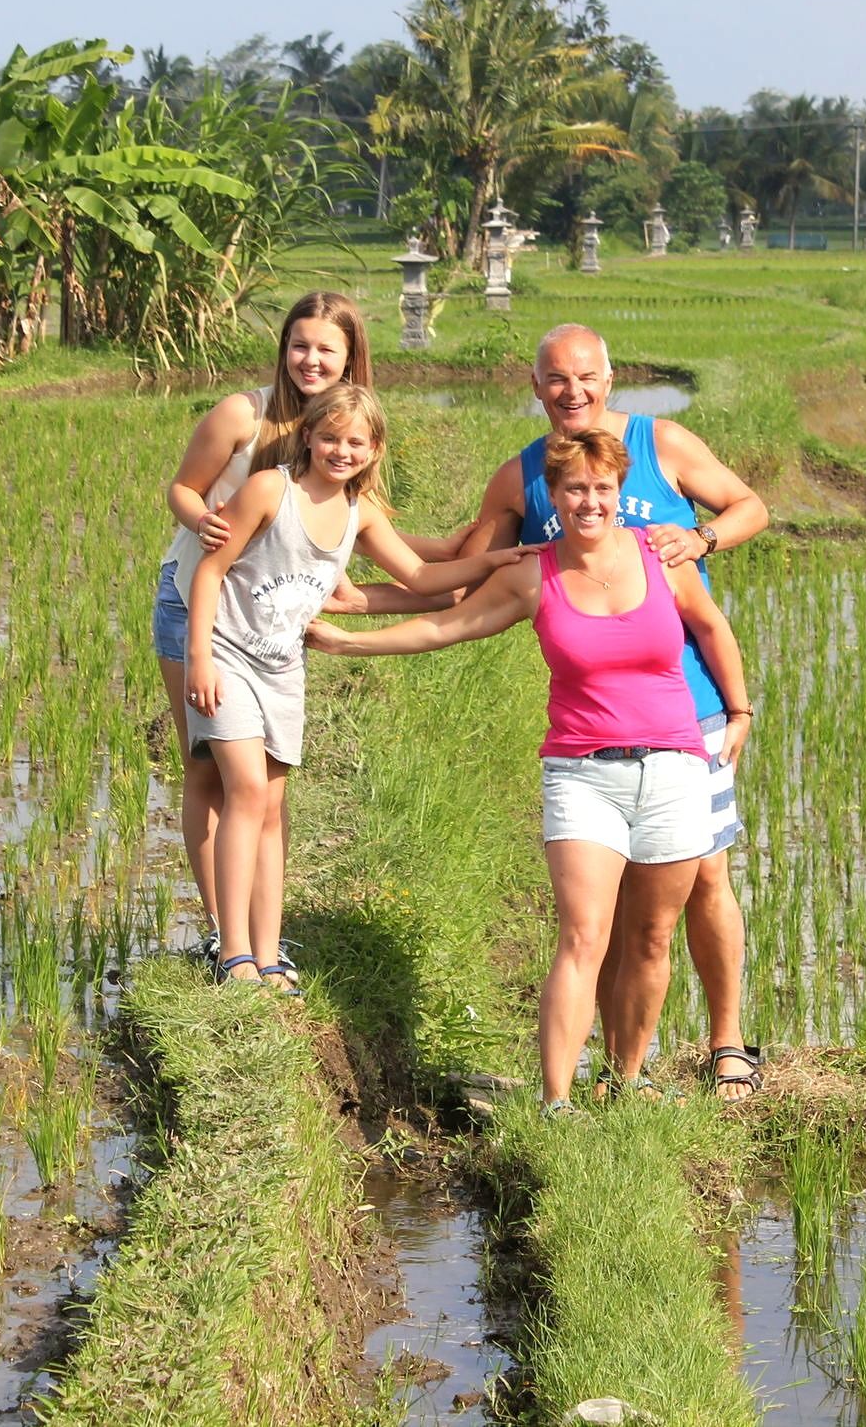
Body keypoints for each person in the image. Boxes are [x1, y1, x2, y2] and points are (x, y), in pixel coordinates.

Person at [310, 427, 752, 1110]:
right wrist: (345, 639)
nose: (590, 500)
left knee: (652, 935)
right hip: (583, 773)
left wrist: (741, 710)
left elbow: (712, 627)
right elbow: (443, 625)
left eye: (603, 487)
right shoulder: (532, 574)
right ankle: (556, 1103)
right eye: (574, 488)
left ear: (620, 492)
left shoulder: (664, 555)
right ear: (552, 494)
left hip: (675, 766)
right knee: (583, 934)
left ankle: (625, 1081)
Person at [469, 324, 770, 1099]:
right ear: (535, 389)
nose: (572, 391)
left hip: (689, 703)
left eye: (586, 377)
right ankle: (612, 1071)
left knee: (704, 876)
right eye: (555, 379)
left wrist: (700, 538)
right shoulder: (522, 478)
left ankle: (727, 1041)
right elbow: (460, 568)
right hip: (598, 718)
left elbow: (750, 506)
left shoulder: (661, 441)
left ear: (610, 380)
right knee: (606, 915)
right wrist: (350, 552)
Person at [184, 382, 530, 991]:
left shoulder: (358, 512)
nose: (340, 452)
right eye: (329, 439)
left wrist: (493, 562)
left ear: (374, 450)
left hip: (283, 667)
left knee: (269, 805)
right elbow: (210, 570)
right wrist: (198, 660)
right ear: (307, 437)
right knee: (242, 790)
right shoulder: (271, 489)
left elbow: (421, 574)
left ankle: (267, 954)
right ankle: (232, 952)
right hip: (228, 655)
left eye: (355, 443)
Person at [155, 291, 452, 968]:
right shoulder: (244, 414)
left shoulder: (341, 437)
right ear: (283, 346)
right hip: (197, 605)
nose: (310, 359)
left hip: (272, 627)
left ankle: (258, 942)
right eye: (299, 344)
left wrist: (476, 555)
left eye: (327, 349)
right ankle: (225, 935)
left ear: (351, 360)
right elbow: (182, 488)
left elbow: (378, 542)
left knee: (261, 793)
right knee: (211, 773)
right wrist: (199, 515)